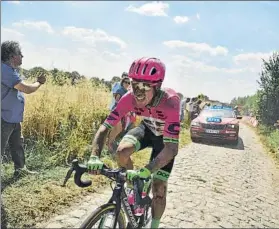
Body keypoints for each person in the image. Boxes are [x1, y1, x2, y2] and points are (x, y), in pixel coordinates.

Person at [87, 57, 180, 229]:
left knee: (159, 189)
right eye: (134, 84)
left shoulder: (170, 102)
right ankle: (134, 186)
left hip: (164, 141)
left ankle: (154, 225)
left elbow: (171, 148)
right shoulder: (128, 98)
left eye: (144, 87)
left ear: (157, 86)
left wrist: (147, 170)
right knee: (122, 152)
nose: (138, 92)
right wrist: (94, 156)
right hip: (146, 129)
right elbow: (105, 127)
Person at [1, 40, 46, 178]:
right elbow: (26, 89)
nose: (22, 56)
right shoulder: (5, 70)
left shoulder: (11, 71)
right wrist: (39, 82)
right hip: (3, 118)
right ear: (12, 56)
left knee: (17, 145)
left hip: (12, 117)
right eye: (20, 54)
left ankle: (20, 170)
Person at [107, 77, 135, 152]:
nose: (127, 84)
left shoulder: (127, 92)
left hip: (120, 113)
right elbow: (117, 101)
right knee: (117, 128)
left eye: (129, 83)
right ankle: (109, 144)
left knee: (118, 129)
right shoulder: (120, 90)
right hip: (115, 111)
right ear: (122, 83)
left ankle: (110, 142)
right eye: (125, 82)